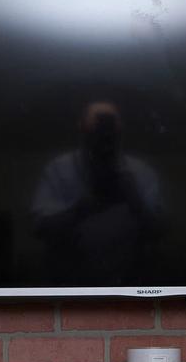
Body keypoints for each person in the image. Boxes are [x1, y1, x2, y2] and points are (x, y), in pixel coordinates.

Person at [30, 100, 165, 283]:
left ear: (120, 128)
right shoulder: (58, 170)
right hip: (69, 285)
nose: (104, 130)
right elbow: (39, 228)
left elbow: (160, 233)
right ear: (81, 126)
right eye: (98, 122)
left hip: (130, 283)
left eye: (110, 122)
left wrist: (136, 204)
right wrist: (81, 209)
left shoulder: (141, 173)